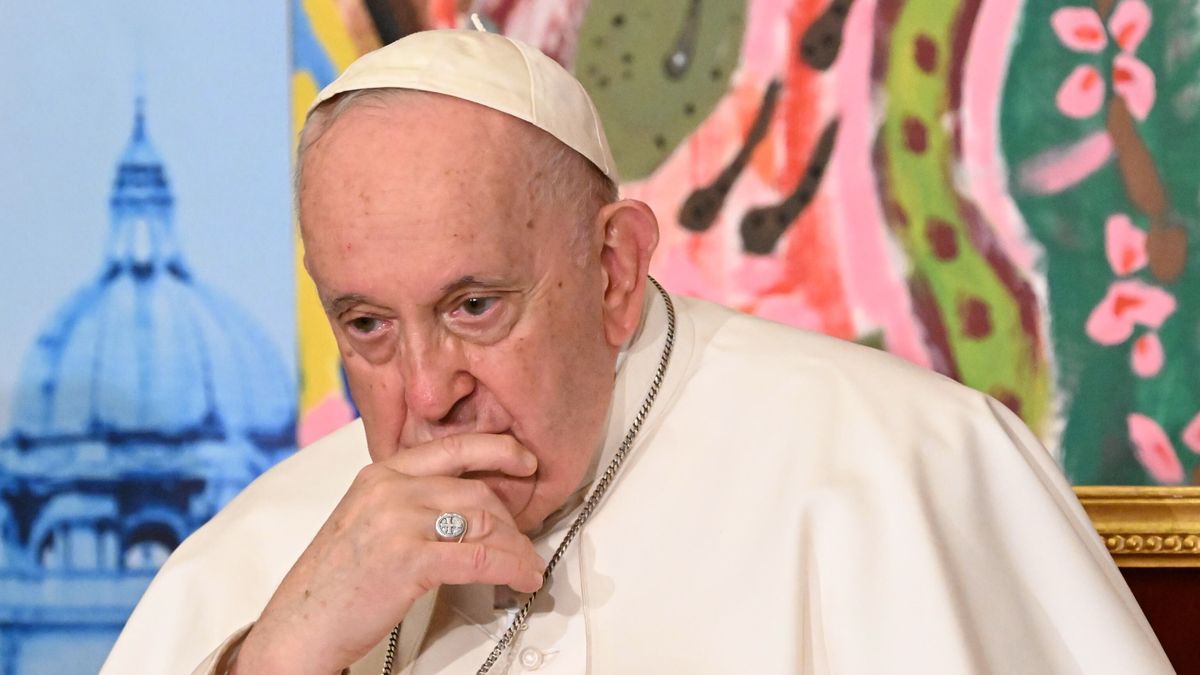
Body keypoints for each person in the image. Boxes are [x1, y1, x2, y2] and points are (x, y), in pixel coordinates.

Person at [102, 28, 1173, 675]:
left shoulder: (896, 469)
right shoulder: (260, 559)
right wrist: (279, 660)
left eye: (475, 306)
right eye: (367, 326)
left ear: (614, 272)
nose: (426, 394)